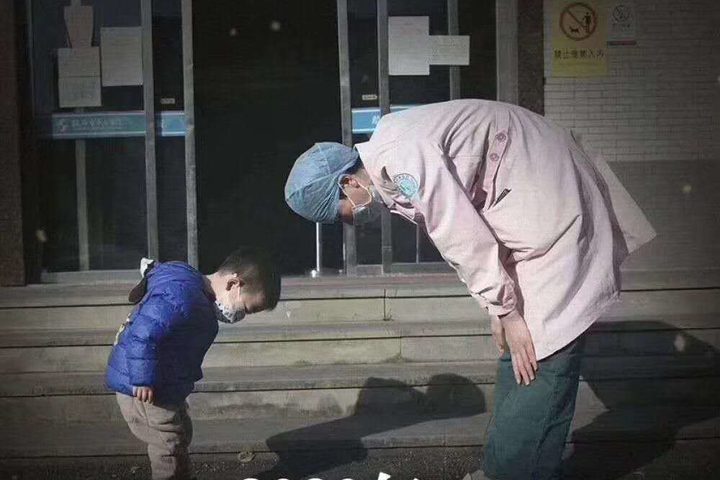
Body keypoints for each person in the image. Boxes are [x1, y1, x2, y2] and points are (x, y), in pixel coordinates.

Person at [284, 99, 656, 480]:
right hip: (526, 199)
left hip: (550, 197)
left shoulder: (401, 158)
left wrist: (507, 310)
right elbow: (462, 231)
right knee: (521, 350)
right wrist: (498, 308)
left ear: (348, 182)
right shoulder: (389, 166)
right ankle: (504, 469)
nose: (349, 222)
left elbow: (460, 235)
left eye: (341, 213)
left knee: (545, 351)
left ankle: (517, 473)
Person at [105, 247, 281, 480]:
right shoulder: (182, 296)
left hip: (162, 384)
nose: (242, 316)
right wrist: (143, 379)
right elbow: (143, 334)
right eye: (247, 309)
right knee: (167, 443)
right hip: (143, 388)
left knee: (178, 435)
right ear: (233, 284)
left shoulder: (193, 294)